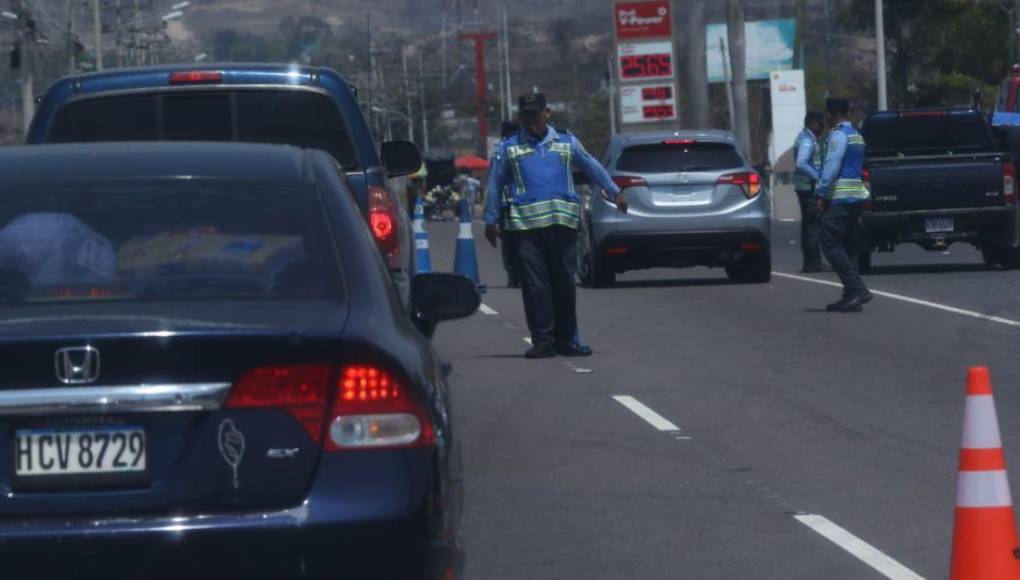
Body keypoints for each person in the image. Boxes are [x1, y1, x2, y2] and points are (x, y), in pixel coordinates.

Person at [484, 93, 625, 359]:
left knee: (563, 284)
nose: (531, 120)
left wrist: (614, 191)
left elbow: (592, 166)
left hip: (562, 228)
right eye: (526, 115)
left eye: (535, 114)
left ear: (547, 113)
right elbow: (495, 185)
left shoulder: (566, 142)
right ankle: (543, 341)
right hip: (525, 230)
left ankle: (567, 340)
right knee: (535, 286)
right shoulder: (508, 148)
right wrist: (491, 220)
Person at [815, 98, 873, 312]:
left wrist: (820, 192)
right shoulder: (856, 134)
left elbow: (831, 166)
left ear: (829, 114)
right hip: (856, 197)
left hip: (840, 196)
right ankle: (851, 295)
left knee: (829, 243)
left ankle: (856, 289)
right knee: (847, 245)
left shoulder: (838, 135)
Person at [793, 111, 828, 273]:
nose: (822, 127)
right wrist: (818, 177)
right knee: (813, 225)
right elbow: (801, 162)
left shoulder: (806, 138)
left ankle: (810, 261)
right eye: (821, 123)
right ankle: (813, 262)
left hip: (805, 187)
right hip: (809, 187)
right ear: (813, 123)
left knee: (809, 225)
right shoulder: (807, 140)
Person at [494, 121, 523, 288]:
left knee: (509, 242)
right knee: (522, 241)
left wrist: (492, 215)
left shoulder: (499, 149)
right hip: (518, 203)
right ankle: (519, 273)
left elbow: (494, 182)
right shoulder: (520, 146)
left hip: (506, 204)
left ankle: (513, 274)